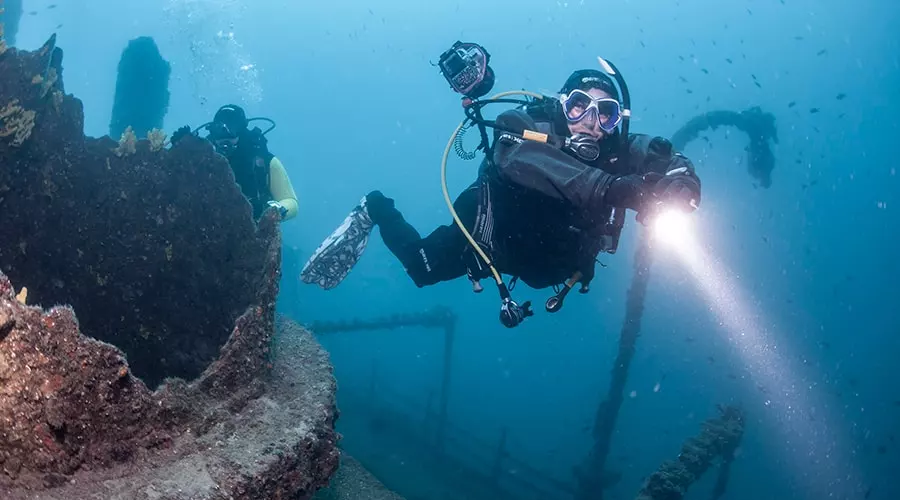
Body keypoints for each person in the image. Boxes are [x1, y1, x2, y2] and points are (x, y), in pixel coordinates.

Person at [301, 67, 701, 326]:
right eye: (580, 107)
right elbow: (519, 161)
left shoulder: (619, 148)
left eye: (606, 113)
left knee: (544, 273)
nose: (591, 123)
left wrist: (682, 184)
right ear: (563, 105)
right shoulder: (522, 125)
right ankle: (375, 207)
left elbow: (665, 156)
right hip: (486, 234)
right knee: (423, 270)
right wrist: (614, 188)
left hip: (549, 263)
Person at [172, 104, 300, 222]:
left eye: (231, 135)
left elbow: (291, 202)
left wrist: (276, 210)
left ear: (242, 132)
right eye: (220, 136)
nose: (225, 143)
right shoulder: (199, 157)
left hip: (249, 232)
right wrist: (179, 152)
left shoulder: (265, 162)